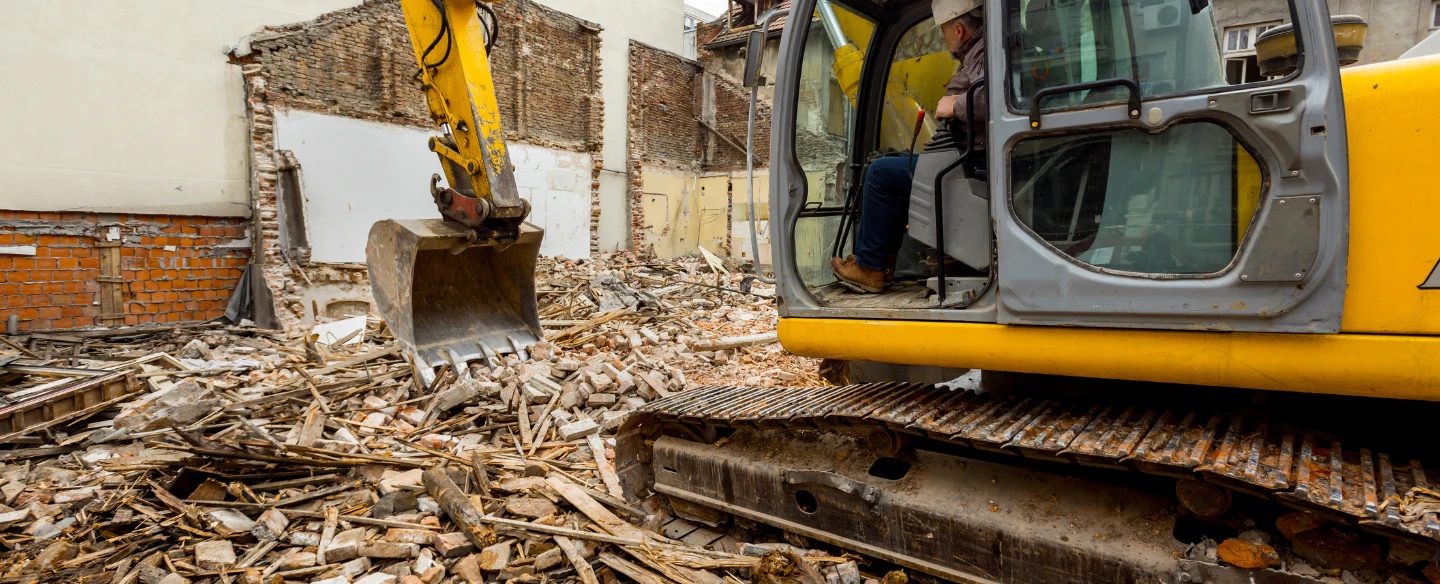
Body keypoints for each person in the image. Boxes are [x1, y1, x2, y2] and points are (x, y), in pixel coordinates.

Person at [829, 0, 987, 294]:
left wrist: (956, 106)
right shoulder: (981, 52)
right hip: (968, 154)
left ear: (959, 29)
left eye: (944, 32)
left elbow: (992, 99)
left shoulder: (984, 53)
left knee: (879, 172)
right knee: (897, 165)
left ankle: (871, 266)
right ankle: (880, 262)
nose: (944, 38)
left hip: (973, 163)